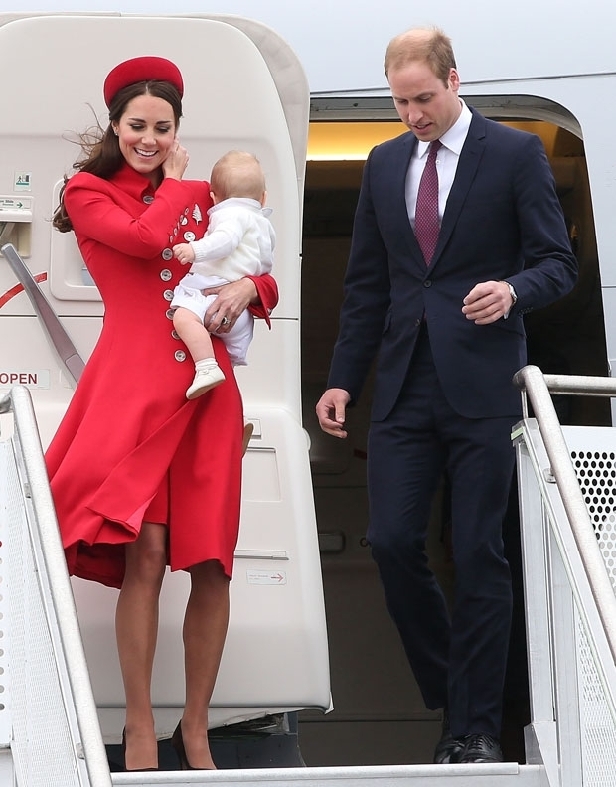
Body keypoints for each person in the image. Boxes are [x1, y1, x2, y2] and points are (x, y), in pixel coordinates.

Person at [315, 27, 577, 764]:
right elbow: (367, 284)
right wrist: (341, 377)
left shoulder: (515, 154)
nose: (413, 115)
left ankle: (475, 728)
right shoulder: (384, 163)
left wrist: (513, 290)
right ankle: (451, 689)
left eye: (423, 98)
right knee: (395, 542)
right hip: (402, 385)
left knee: (478, 552)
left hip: (484, 382)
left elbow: (559, 263)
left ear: (455, 81)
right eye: (401, 102)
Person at [46, 55, 278, 772]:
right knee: (143, 553)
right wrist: (180, 184)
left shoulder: (205, 195)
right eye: (137, 125)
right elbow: (147, 242)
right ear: (115, 125)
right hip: (138, 387)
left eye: (162, 127)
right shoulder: (89, 190)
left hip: (209, 394)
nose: (149, 138)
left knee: (212, 561)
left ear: (178, 127)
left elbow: (248, 250)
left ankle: (198, 728)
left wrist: (255, 288)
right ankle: (141, 728)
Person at [171, 150, 275, 399]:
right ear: (263, 198)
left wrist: (194, 249)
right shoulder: (263, 223)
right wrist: (250, 284)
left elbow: (224, 240)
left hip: (212, 297)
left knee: (184, 317)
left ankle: (206, 366)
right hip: (241, 314)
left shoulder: (230, 215)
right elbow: (265, 265)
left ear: (214, 197)